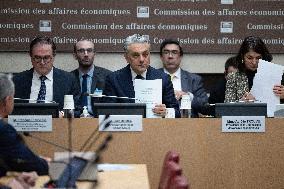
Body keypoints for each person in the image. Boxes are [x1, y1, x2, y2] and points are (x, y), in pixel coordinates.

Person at [103, 34, 180, 118]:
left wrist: (166, 112)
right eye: (136, 55)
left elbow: (177, 112)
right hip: (126, 128)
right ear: (126, 57)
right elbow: (106, 112)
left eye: (145, 54)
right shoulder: (114, 79)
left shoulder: (163, 78)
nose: (141, 60)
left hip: (156, 128)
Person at [12, 36, 81, 115]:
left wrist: (63, 114)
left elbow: (77, 109)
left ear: (53, 57)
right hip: (26, 126)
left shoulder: (69, 80)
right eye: (37, 57)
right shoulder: (17, 81)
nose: (42, 62)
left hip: (57, 126)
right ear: (31, 57)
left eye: (46, 58)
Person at [0, 74, 48, 177]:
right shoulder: (4, 130)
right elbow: (32, 165)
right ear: (7, 100)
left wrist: (15, 177)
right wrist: (45, 163)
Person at [225, 36, 284, 102]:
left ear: (263, 57)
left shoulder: (275, 75)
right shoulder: (233, 77)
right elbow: (228, 106)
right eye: (250, 58)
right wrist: (241, 102)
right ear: (242, 57)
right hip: (244, 112)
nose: (254, 62)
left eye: (258, 58)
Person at [159, 39, 208, 117]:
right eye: (166, 52)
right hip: (159, 123)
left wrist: (188, 96)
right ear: (161, 57)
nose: (170, 56)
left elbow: (205, 107)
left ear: (180, 56)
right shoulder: (152, 77)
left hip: (188, 125)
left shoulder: (194, 80)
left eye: (174, 52)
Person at [71, 39, 111, 115]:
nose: (86, 54)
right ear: (75, 55)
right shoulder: (68, 78)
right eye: (81, 51)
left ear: (94, 54)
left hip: (98, 122)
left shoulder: (107, 77)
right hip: (75, 121)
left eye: (89, 50)